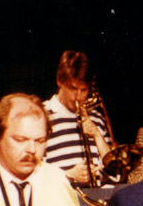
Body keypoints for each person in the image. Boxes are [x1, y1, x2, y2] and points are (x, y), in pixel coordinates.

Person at [43, 50, 113, 186]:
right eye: (73, 88)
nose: (78, 96)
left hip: (96, 196)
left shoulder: (96, 117)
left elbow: (112, 170)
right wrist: (69, 175)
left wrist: (96, 134)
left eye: (84, 90)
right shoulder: (42, 114)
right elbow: (35, 170)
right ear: (59, 81)